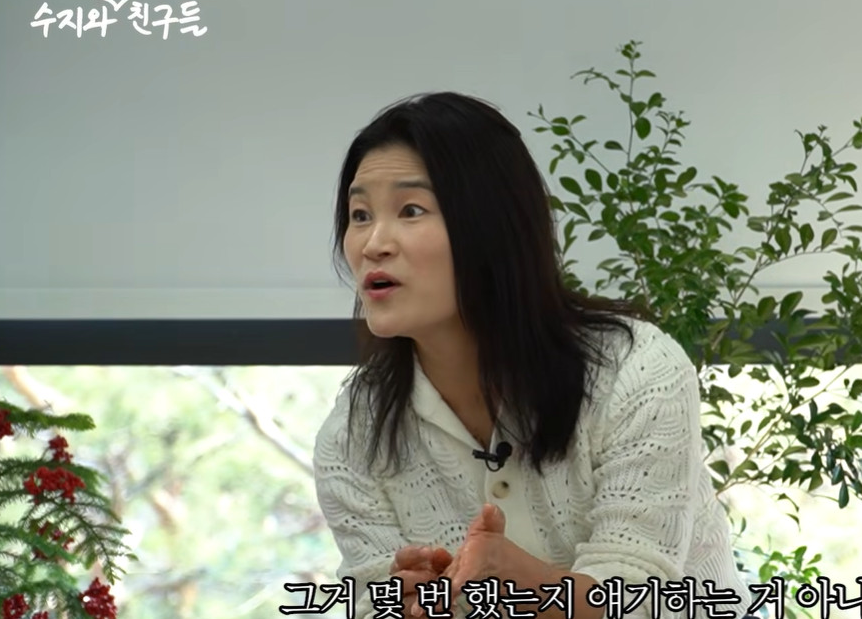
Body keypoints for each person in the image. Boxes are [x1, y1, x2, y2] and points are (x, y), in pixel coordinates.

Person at [313, 91, 752, 619]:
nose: (372, 244)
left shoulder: (637, 371)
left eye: (411, 210)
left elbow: (639, 597)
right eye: (360, 215)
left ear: (494, 226)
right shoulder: (352, 437)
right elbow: (368, 600)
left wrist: (520, 578)